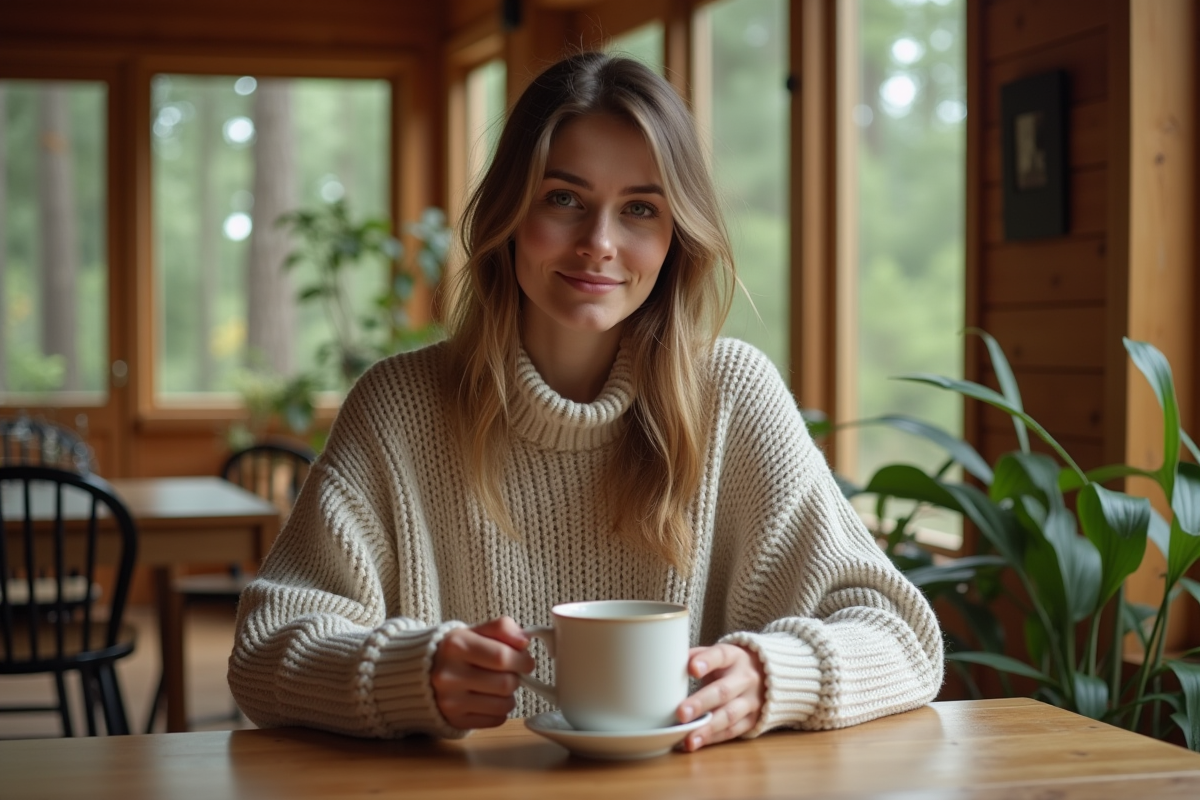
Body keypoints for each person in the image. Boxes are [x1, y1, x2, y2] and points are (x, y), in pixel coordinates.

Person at [228, 51, 943, 751]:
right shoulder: (398, 407)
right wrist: (408, 672)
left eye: (640, 209)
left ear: (675, 238)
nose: (600, 243)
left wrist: (773, 675)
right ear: (509, 212)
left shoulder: (733, 395)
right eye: (564, 199)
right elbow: (263, 653)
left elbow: (904, 639)